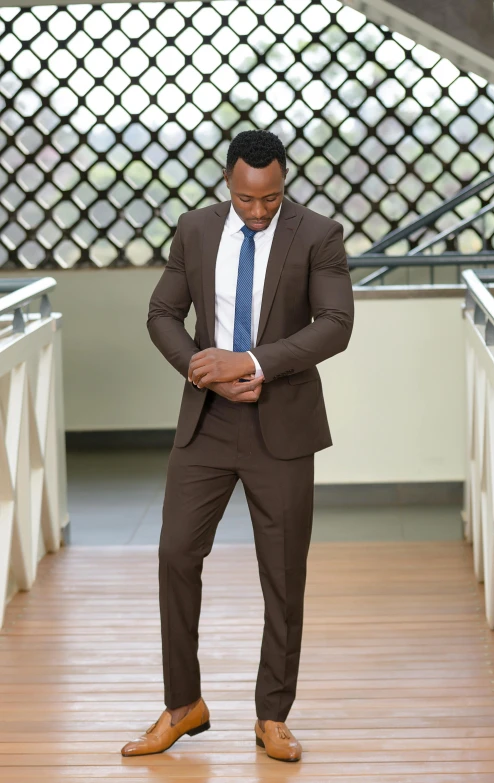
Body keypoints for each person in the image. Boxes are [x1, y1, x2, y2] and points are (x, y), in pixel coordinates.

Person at [121, 129, 354, 763]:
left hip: (282, 422)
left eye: (271, 199)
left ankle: (272, 715)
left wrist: (250, 362)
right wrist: (201, 367)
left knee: (283, 574)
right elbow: (161, 313)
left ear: (284, 184)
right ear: (229, 182)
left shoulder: (318, 234)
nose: (259, 211)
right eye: (248, 199)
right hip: (207, 424)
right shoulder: (194, 229)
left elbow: (336, 325)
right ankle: (182, 705)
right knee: (175, 555)